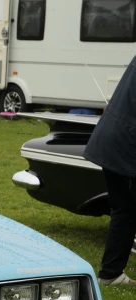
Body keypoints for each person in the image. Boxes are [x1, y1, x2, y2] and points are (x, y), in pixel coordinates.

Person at [84, 54, 136, 285]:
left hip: (113, 139)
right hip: (125, 144)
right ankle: (110, 273)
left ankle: (111, 273)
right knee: (125, 209)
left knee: (124, 210)